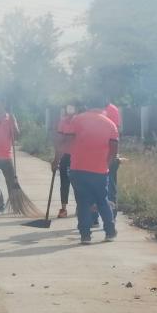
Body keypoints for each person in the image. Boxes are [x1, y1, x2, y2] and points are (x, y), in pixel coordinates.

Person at [64, 98, 119, 244]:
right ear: (103, 108)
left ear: (88, 105)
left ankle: (85, 236)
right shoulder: (110, 124)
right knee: (102, 201)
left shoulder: (76, 120)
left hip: (78, 169)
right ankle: (110, 232)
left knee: (83, 203)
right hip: (99, 170)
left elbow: (68, 142)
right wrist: (106, 164)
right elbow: (114, 149)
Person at [53, 104, 77, 218]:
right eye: (68, 108)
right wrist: (56, 159)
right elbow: (59, 141)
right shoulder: (62, 122)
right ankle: (63, 208)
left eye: (72, 107)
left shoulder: (79, 121)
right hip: (66, 156)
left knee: (78, 183)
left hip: (78, 156)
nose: (70, 110)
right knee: (64, 183)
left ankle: (80, 206)